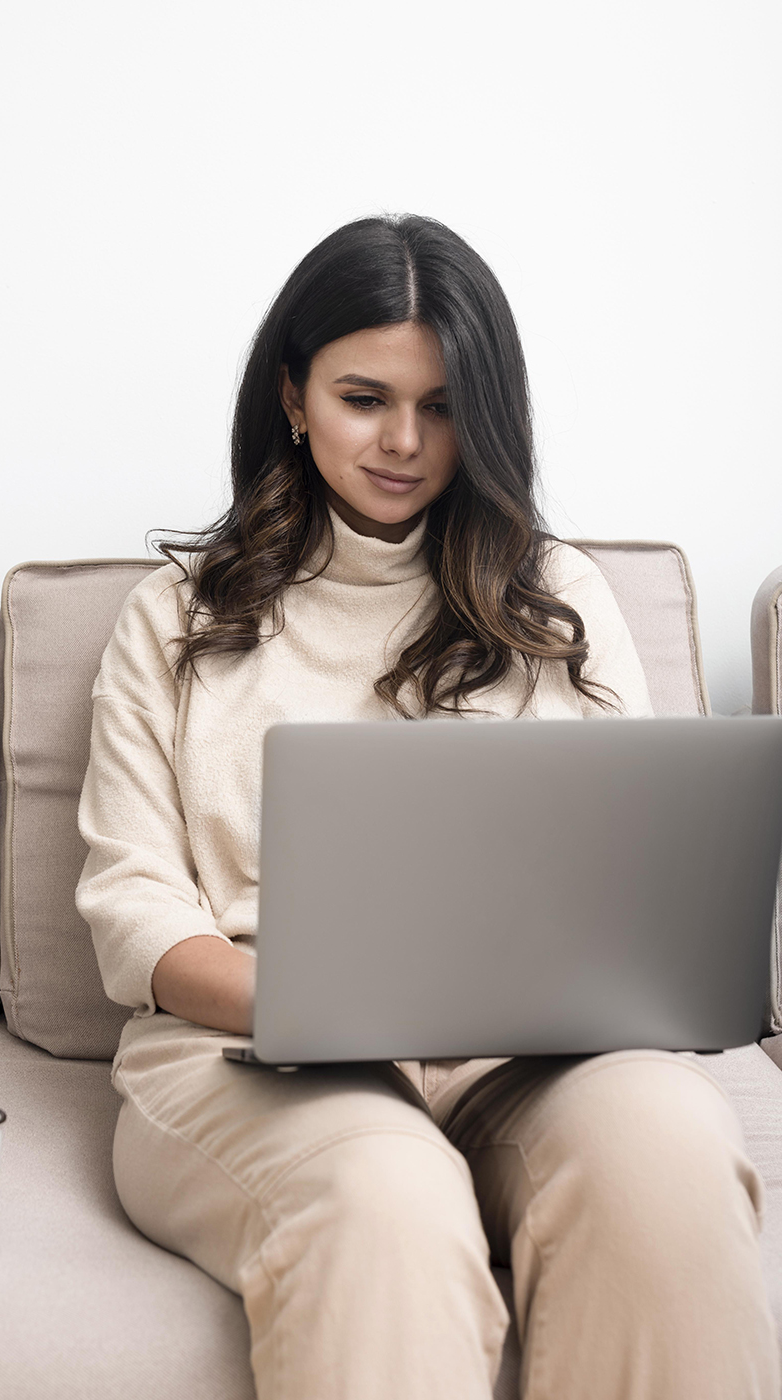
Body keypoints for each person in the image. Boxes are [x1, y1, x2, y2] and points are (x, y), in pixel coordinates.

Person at [74, 214, 777, 1400]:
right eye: (364, 396)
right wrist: (335, 1006)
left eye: (443, 405)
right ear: (292, 396)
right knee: (385, 1194)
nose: (404, 440)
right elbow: (134, 910)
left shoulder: (562, 598)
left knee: (667, 1152)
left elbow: (638, 874)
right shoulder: (174, 618)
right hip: (257, 1055)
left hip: (540, 1053)